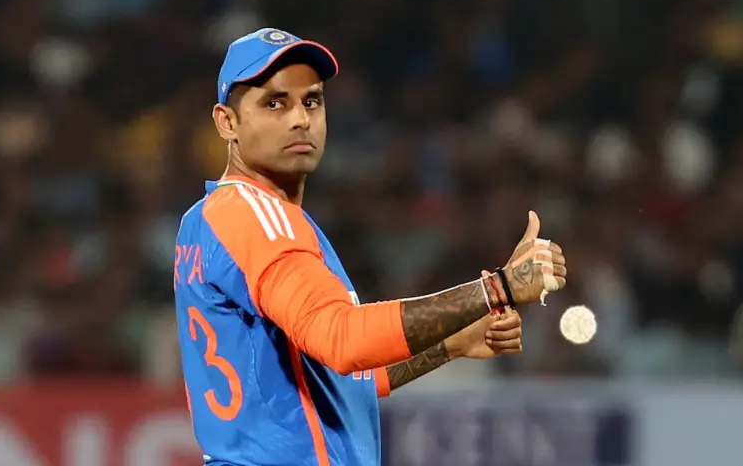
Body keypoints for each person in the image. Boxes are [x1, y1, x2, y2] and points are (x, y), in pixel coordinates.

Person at [174, 28, 567, 466]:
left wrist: (450, 343)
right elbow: (342, 340)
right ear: (227, 122)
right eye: (275, 103)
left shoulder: (220, 217)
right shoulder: (254, 215)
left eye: (312, 101)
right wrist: (498, 289)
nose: (300, 119)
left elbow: (338, 375)